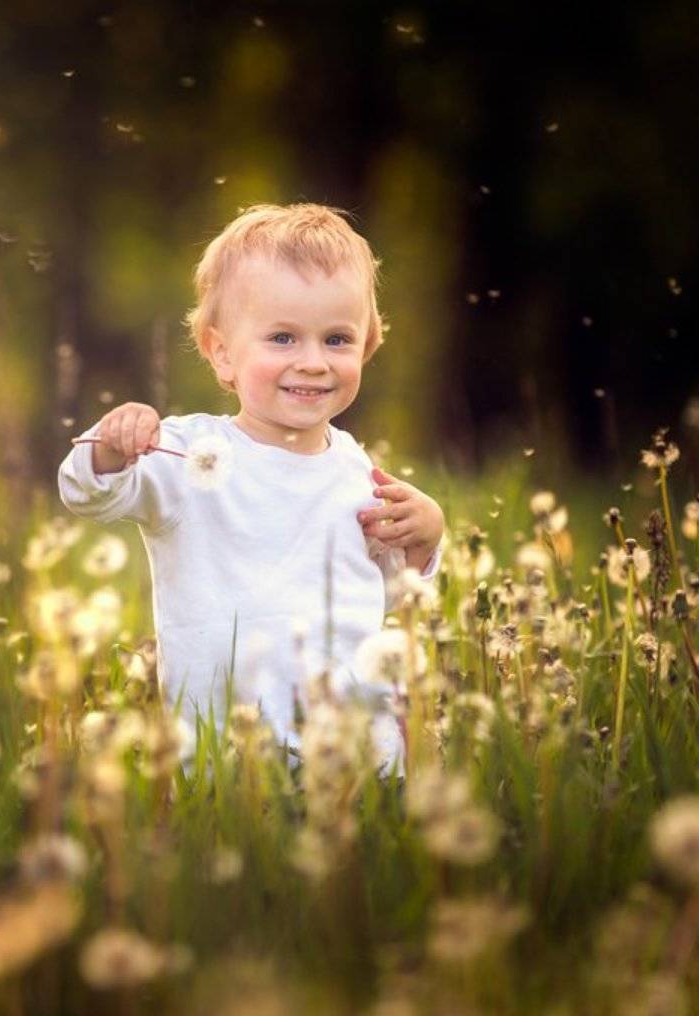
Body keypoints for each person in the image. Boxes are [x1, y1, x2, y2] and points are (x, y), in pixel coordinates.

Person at [58, 203, 444, 777]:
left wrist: (425, 537)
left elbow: (385, 596)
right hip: (225, 753)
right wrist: (113, 445)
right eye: (283, 338)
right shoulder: (185, 453)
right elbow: (86, 491)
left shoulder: (359, 472)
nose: (313, 362)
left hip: (354, 754)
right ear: (222, 353)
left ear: (367, 347)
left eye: (337, 339)